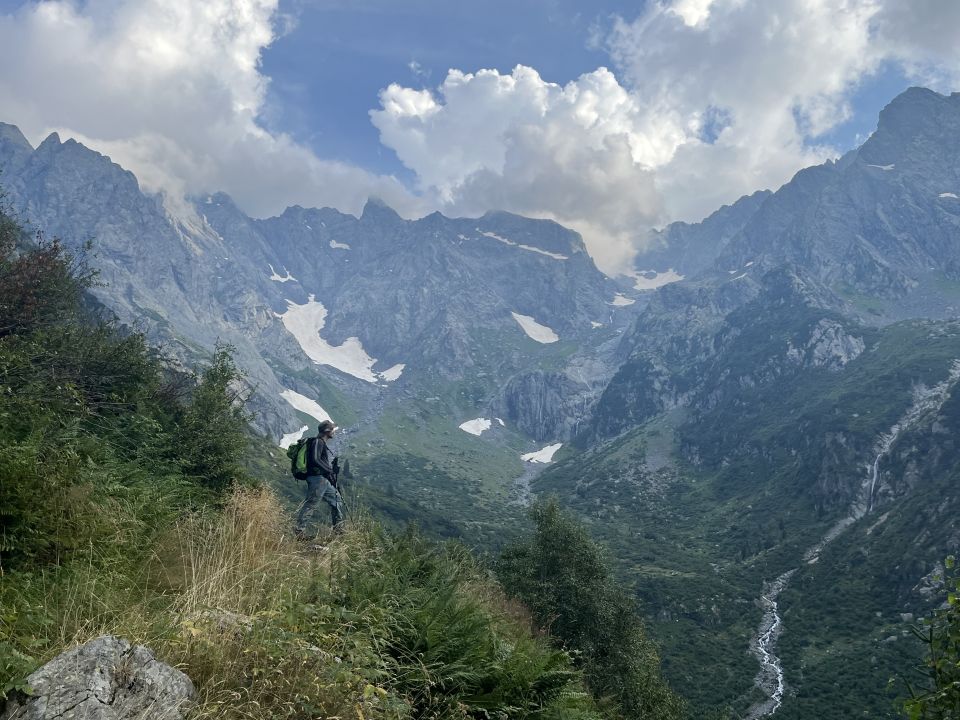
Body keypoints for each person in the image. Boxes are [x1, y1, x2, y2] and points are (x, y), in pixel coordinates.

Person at [294, 420, 345, 537]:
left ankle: (338, 530)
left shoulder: (319, 442)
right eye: (332, 430)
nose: (334, 432)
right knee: (311, 503)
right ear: (327, 431)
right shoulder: (318, 442)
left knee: (337, 500)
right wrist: (329, 470)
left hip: (322, 479)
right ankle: (299, 531)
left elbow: (318, 460)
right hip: (317, 479)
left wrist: (330, 474)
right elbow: (315, 459)